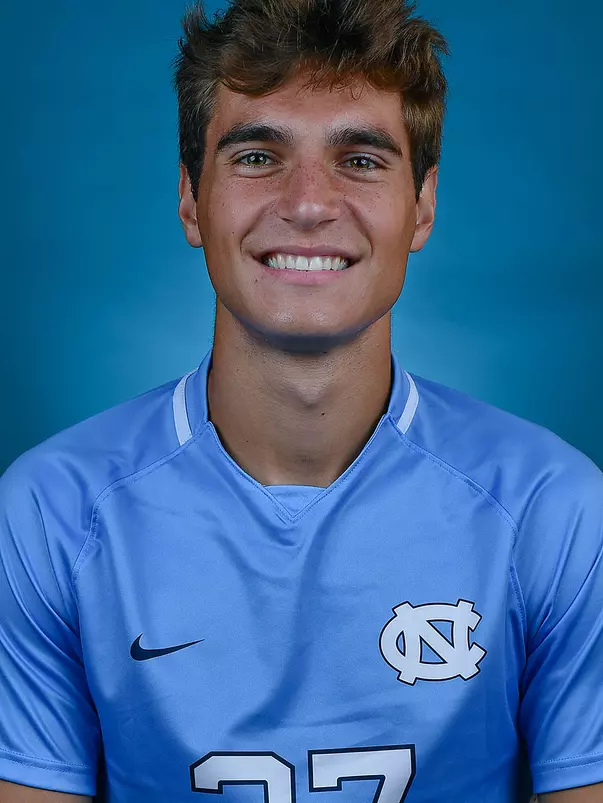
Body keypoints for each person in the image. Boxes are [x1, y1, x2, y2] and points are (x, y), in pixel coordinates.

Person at [1, 0, 602, 800]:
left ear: (421, 206)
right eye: (256, 156)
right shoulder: (50, 512)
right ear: (190, 199)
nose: (310, 203)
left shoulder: (552, 510)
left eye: (360, 159)